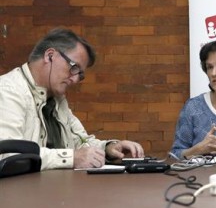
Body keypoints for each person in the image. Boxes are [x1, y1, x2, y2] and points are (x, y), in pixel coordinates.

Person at [0, 28, 144, 170]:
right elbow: (8, 155)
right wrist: (71, 158)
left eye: (80, 74)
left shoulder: (57, 99)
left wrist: (109, 149)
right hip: (17, 193)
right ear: (49, 55)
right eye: (74, 68)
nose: (75, 79)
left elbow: (80, 142)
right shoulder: (8, 90)